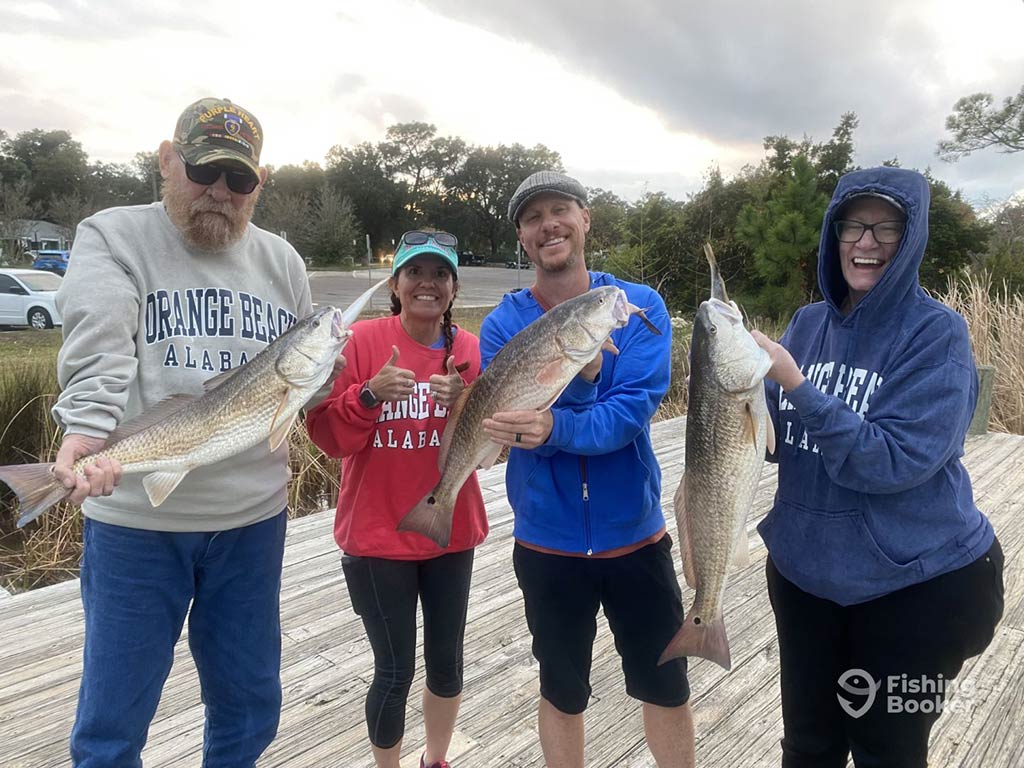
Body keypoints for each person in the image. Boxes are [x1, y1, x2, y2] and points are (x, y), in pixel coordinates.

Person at [51, 97, 332, 767]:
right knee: (112, 723)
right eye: (205, 170)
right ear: (167, 161)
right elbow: (100, 330)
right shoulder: (114, 235)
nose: (220, 192)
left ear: (257, 185)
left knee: (249, 704)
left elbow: (300, 379)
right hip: (136, 528)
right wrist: (89, 426)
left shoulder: (283, 263)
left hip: (251, 524)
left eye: (239, 180)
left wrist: (333, 366)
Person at [752, 166, 1005, 767]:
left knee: (885, 751)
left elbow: (893, 460)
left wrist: (797, 385)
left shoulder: (937, 334)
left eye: (887, 228)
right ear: (832, 233)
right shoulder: (808, 324)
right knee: (808, 747)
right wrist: (733, 388)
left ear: (911, 238)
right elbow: (771, 438)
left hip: (916, 588)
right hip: (807, 578)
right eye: (853, 225)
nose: (866, 242)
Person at [479, 171, 695, 768]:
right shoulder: (501, 326)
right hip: (548, 541)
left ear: (585, 218)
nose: (548, 224)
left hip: (635, 535)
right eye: (532, 217)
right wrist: (584, 379)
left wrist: (557, 420)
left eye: (559, 210)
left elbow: (631, 413)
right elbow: (511, 422)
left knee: (666, 684)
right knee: (562, 689)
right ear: (522, 237)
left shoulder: (637, 305)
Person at [305, 231, 488, 768]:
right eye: (415, 273)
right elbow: (329, 438)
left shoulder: (469, 351)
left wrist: (464, 403)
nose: (427, 284)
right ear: (396, 284)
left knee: (447, 662)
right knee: (393, 671)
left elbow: (487, 452)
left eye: (440, 275)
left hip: (451, 531)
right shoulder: (361, 342)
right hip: (376, 537)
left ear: (453, 288)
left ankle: (436, 759)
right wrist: (367, 396)